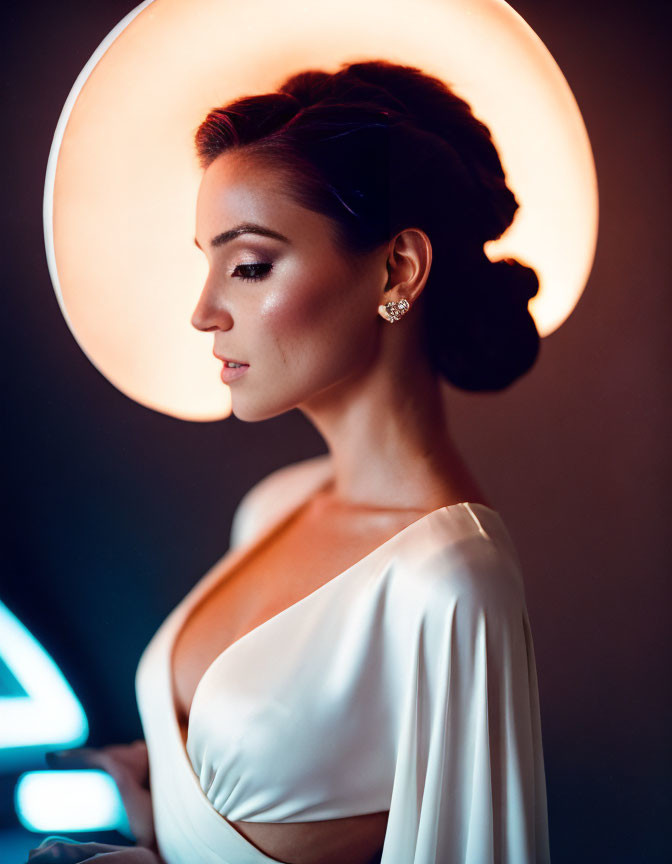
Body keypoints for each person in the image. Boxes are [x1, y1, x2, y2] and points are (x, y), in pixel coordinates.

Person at [33, 59, 550, 864]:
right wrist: (171, 804)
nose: (203, 311)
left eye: (247, 266)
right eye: (205, 263)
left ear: (396, 270)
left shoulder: (451, 577)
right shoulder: (277, 504)